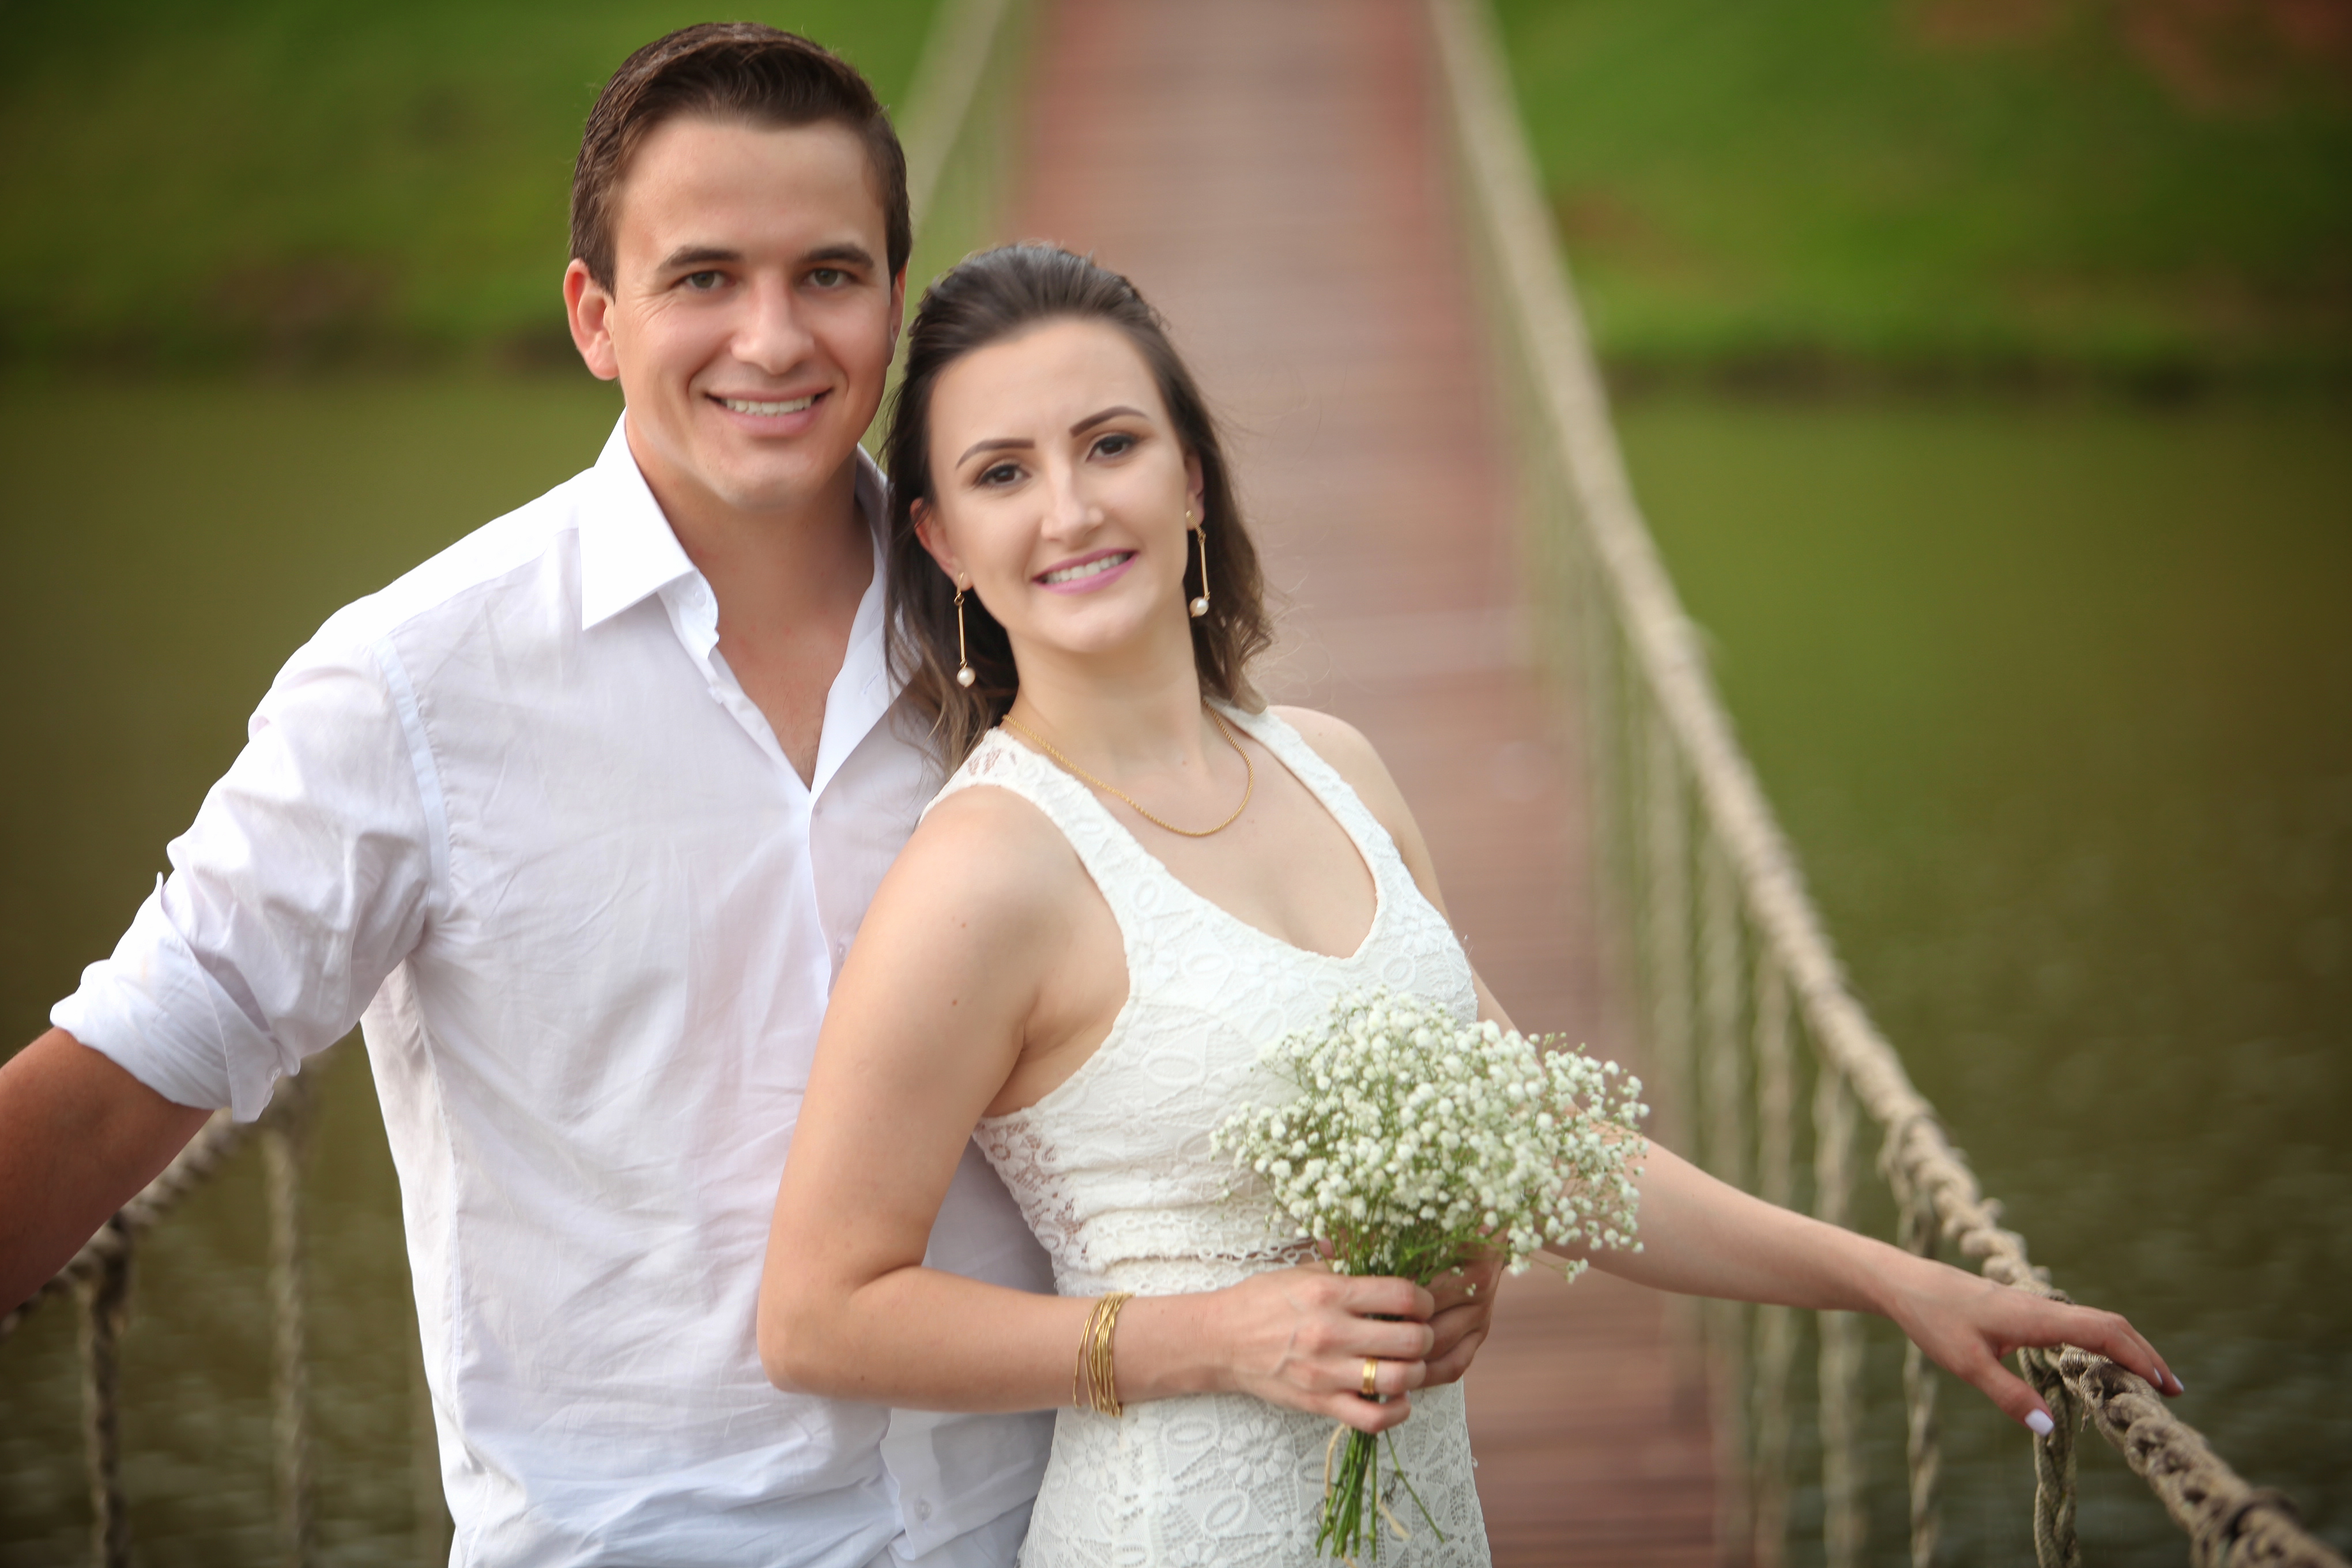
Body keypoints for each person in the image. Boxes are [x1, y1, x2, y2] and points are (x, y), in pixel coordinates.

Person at [3, 27, 1521, 1567]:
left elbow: (1275, 986)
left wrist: (1428, 1260)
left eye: (831, 276)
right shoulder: (410, 691)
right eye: (705, 278)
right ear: (596, 316)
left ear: (892, 302)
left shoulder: (1028, 612)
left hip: (1038, 1525)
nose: (776, 339)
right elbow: (131, 1065)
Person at [756, 243, 2185, 1566]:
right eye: (1003, 475)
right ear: (941, 543)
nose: (1070, 508)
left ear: (1192, 477)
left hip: (1431, 1520)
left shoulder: (1339, 768)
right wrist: (1214, 1338)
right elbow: (819, 1313)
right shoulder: (988, 866)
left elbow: (1550, 1147)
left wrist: (1895, 1284)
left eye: (1110, 444)